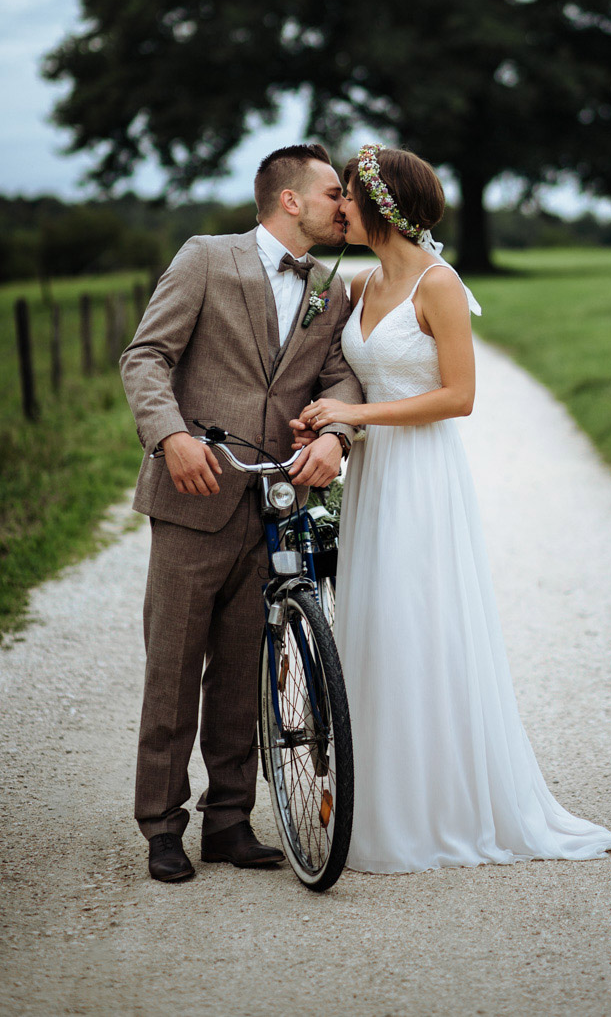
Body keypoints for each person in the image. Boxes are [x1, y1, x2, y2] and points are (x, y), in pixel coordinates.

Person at [296, 144, 611, 873]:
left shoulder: (438, 283)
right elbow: (340, 376)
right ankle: (373, 796)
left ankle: (438, 806)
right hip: (374, 478)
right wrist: (324, 421)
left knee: (419, 622)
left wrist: (360, 417)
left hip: (422, 477)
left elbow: (460, 396)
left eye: (348, 194)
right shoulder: (357, 284)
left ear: (381, 205)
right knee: (374, 623)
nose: (340, 206)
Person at [120, 143, 362, 883]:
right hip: (191, 499)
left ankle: (229, 820)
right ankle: (162, 825)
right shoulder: (206, 257)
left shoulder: (331, 289)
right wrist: (170, 436)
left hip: (272, 505)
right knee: (172, 670)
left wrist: (335, 434)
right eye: (332, 192)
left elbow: (342, 378)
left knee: (241, 674)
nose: (344, 205)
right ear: (290, 199)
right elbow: (145, 357)